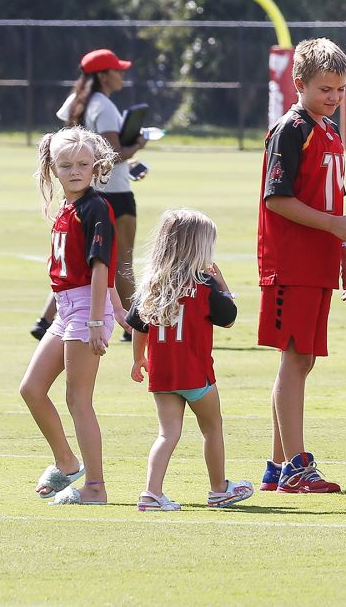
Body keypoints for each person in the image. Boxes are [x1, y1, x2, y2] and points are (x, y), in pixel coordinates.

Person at [257, 38, 346, 495]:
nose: (334, 97)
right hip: (291, 261)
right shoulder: (291, 129)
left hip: (318, 258)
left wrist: (339, 249)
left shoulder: (329, 131)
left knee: (300, 361)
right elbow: (278, 199)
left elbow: (330, 198)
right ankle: (296, 468)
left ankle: (278, 464)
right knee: (295, 357)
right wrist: (332, 226)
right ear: (298, 84)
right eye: (325, 88)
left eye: (340, 89)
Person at [20, 127, 128, 505]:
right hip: (68, 308)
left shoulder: (96, 206)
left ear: (96, 166)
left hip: (85, 308)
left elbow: (101, 268)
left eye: (83, 164)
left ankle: (95, 487)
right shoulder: (67, 207)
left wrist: (101, 318)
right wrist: (115, 308)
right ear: (53, 167)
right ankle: (67, 463)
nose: (75, 171)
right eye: (65, 165)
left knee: (78, 399)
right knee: (31, 389)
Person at [127, 208, 253, 511]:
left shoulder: (152, 285)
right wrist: (223, 285)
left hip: (163, 375)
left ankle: (151, 493)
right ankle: (218, 488)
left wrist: (138, 360)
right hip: (196, 373)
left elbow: (138, 325)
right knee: (212, 427)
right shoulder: (205, 286)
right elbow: (229, 319)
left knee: (167, 433)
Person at [55, 48, 147, 341]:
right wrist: (138, 146)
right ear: (104, 76)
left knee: (84, 260)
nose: (121, 75)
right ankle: (133, 326)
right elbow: (113, 153)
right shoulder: (104, 106)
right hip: (115, 192)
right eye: (117, 71)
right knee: (122, 261)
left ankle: (49, 319)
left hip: (83, 191)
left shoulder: (75, 102)